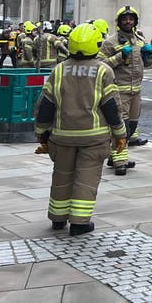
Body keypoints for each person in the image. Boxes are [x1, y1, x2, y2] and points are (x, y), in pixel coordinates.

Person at [33, 23, 126, 236]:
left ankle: (58, 218)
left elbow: (45, 105)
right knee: (86, 178)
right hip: (94, 138)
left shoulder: (59, 70)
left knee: (62, 176)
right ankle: (79, 222)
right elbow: (111, 107)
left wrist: (41, 133)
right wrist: (120, 134)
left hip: (62, 137)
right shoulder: (103, 70)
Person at [99, 5, 152, 169]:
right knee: (120, 127)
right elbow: (100, 65)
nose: (128, 22)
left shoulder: (140, 40)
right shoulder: (110, 42)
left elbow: (149, 64)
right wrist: (119, 57)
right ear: (119, 21)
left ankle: (113, 156)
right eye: (125, 19)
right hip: (118, 91)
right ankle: (120, 161)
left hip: (136, 91)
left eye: (131, 19)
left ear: (135, 21)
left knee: (132, 126)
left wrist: (150, 54)